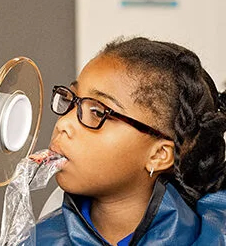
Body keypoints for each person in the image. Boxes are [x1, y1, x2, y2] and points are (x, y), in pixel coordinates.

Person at [36, 37, 226, 245]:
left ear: (158, 155)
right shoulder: (37, 238)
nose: (63, 123)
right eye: (71, 100)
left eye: (98, 112)